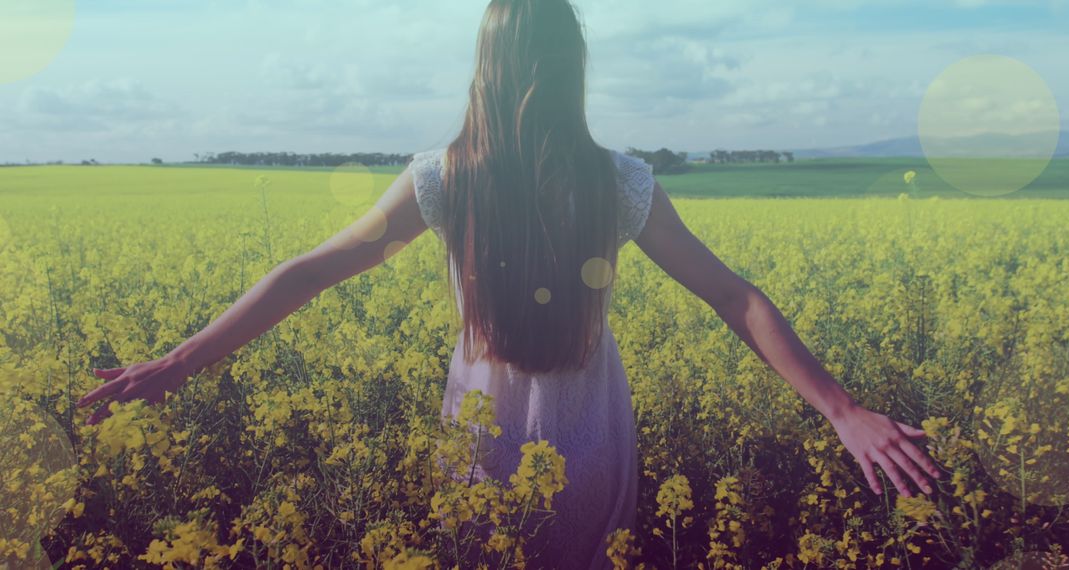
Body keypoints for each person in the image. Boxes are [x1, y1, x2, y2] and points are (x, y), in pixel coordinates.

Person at [77, 0, 943, 567]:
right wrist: (842, 410)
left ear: (481, 69)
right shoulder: (618, 181)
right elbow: (733, 295)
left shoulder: (445, 178)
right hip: (593, 435)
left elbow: (308, 272)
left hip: (482, 439)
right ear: (575, 72)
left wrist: (180, 363)